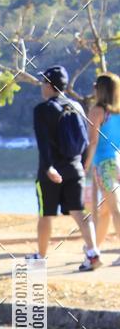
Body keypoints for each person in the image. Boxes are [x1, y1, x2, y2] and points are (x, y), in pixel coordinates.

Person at [32, 65, 101, 270]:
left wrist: (48, 168)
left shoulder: (42, 110)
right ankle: (93, 253)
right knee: (79, 211)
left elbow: (43, 143)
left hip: (52, 170)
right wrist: (83, 166)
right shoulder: (78, 107)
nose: (41, 86)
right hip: (75, 168)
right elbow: (87, 140)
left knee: (46, 214)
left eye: (43, 82)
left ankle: (40, 258)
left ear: (49, 85)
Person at [83, 72, 120, 256]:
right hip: (118, 161)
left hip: (104, 164)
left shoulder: (97, 111)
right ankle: (94, 247)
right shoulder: (117, 112)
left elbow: (93, 142)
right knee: (106, 210)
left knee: (115, 210)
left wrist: (85, 166)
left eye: (96, 86)